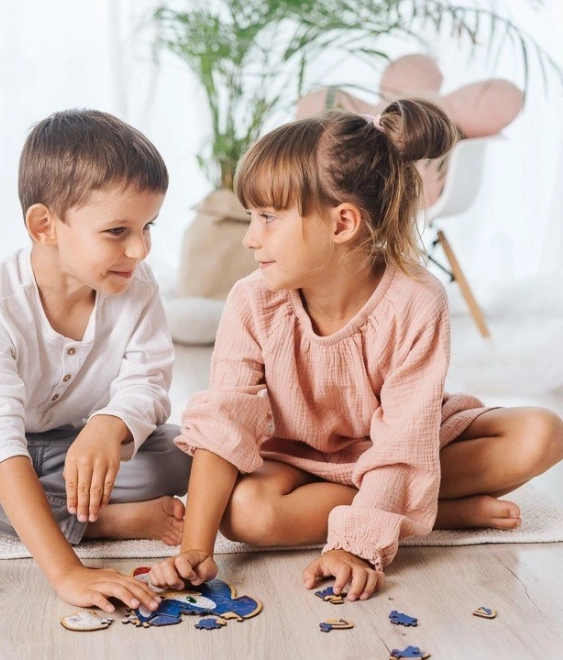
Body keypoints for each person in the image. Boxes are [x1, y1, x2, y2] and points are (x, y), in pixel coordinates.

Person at [149, 99, 563, 601]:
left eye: (267, 217)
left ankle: (392, 509)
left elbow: (404, 442)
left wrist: (356, 544)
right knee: (246, 514)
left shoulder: (415, 299)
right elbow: (223, 423)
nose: (250, 238)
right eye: (250, 217)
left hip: (397, 447)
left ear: (343, 224)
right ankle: (433, 512)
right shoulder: (252, 300)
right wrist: (196, 546)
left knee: (542, 433)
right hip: (297, 460)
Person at [0, 109, 192, 613]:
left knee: (190, 452)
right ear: (45, 226)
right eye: (117, 230)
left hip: (73, 447)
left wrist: (109, 425)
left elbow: (148, 382)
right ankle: (98, 522)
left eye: (148, 226)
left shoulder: (138, 287)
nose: (140, 248)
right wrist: (68, 572)